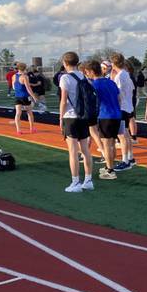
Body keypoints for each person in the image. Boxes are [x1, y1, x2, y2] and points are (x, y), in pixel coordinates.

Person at [58, 51, 94, 193]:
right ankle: (88, 180)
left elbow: (63, 100)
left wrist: (60, 118)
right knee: (85, 150)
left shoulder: (65, 78)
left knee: (73, 151)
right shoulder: (83, 75)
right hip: (83, 116)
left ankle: (75, 182)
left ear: (65, 63)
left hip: (70, 117)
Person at [84, 60, 120, 180]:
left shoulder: (95, 85)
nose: (86, 74)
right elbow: (119, 98)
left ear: (92, 72)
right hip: (116, 115)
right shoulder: (111, 82)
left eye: (87, 72)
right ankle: (109, 166)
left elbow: (93, 102)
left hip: (105, 116)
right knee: (112, 144)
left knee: (107, 144)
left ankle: (110, 170)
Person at [110, 53, 136, 171]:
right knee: (126, 134)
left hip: (122, 108)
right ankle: (130, 158)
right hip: (128, 107)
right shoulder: (126, 74)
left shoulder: (120, 76)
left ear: (114, 63)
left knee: (122, 136)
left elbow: (118, 93)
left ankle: (125, 160)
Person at [12, 63, 38, 134]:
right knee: (29, 112)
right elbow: (28, 88)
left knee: (18, 113)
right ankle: (32, 128)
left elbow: (14, 87)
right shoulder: (25, 76)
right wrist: (33, 96)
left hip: (17, 97)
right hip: (25, 97)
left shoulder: (14, 76)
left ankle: (18, 130)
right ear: (25, 68)